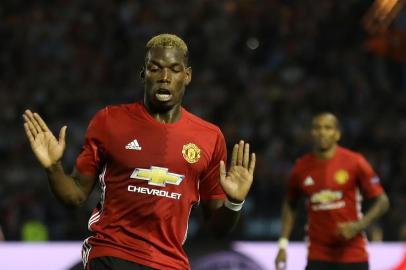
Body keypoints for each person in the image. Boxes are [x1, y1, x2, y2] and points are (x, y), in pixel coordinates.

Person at [23, 34, 256, 270]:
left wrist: (235, 202)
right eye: (155, 68)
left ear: (187, 76)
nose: (164, 78)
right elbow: (75, 196)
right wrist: (53, 168)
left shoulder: (209, 137)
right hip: (111, 254)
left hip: (169, 263)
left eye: (174, 70)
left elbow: (217, 228)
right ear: (143, 73)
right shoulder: (109, 121)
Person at [274, 112, 389, 270]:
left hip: (353, 255)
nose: (322, 132)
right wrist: (282, 244)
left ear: (337, 134)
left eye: (328, 128)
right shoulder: (301, 167)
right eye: (317, 128)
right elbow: (290, 204)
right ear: (311, 133)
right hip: (318, 255)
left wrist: (358, 225)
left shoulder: (355, 162)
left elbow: (382, 202)